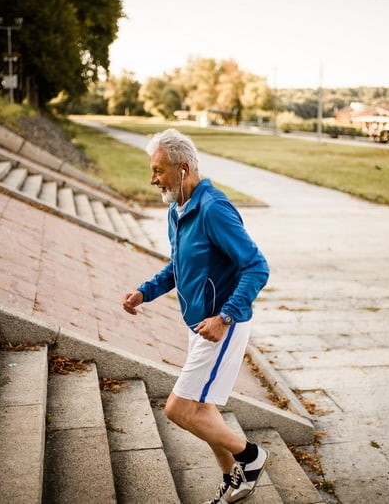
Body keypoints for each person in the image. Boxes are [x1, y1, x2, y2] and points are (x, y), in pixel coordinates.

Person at [122, 128, 270, 504]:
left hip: (221, 327)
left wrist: (225, 318)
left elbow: (257, 267)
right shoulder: (178, 209)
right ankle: (232, 478)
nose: (152, 178)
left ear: (183, 168)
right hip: (199, 326)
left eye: (158, 170)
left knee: (179, 409)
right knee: (202, 409)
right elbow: (178, 266)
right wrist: (145, 292)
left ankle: (251, 457)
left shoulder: (213, 209)